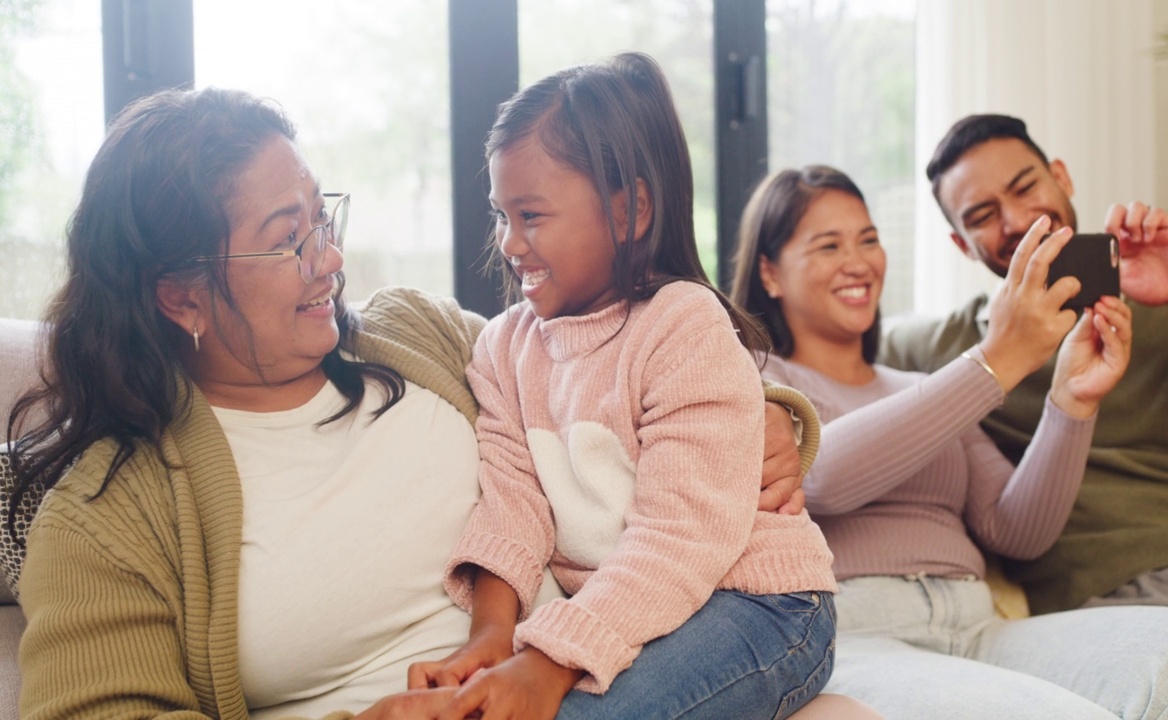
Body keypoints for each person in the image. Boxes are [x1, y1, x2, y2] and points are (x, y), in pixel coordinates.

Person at [4, 86, 857, 720]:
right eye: (286, 242)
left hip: (614, 657)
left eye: (321, 220)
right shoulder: (108, 514)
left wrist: (769, 418)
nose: (330, 262)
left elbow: (608, 365)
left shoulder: (417, 334)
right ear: (178, 297)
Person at [730, 164, 1168, 718]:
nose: (858, 261)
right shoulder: (756, 376)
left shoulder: (923, 388)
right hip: (853, 633)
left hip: (978, 624)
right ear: (770, 273)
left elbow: (1015, 530)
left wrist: (1071, 404)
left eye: (869, 240)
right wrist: (996, 360)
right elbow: (821, 476)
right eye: (828, 245)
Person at [404, 53, 840, 720]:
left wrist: (546, 663)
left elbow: (677, 541)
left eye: (532, 215)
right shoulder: (502, 348)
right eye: (500, 215)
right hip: (637, 610)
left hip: (762, 605)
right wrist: (492, 636)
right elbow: (510, 504)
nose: (509, 243)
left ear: (631, 209)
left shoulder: (683, 327)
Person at [880, 113, 1168, 704]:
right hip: (1110, 599)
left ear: (1061, 177)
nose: (1016, 221)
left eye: (1024, 188)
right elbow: (833, 355)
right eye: (983, 216)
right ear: (961, 244)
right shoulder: (950, 349)